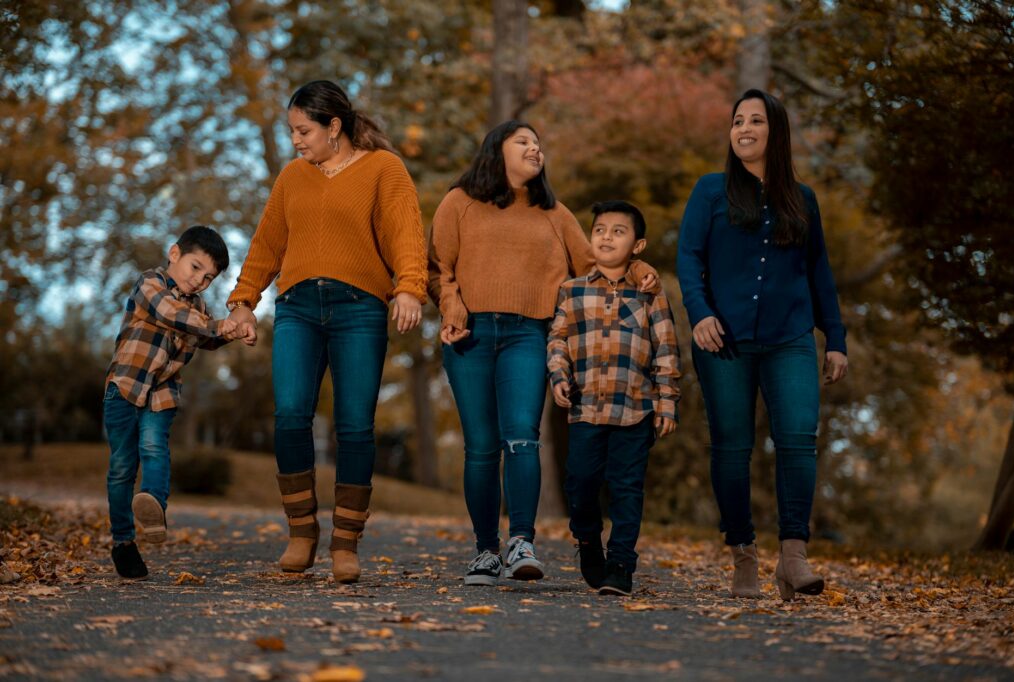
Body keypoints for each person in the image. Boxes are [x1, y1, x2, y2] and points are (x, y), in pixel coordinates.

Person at [428, 120, 658, 587]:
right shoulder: (459, 203)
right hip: (469, 336)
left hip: (528, 335)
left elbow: (598, 263)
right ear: (497, 150)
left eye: (538, 143)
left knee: (522, 437)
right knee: (480, 448)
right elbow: (437, 267)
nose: (536, 149)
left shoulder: (555, 214)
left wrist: (636, 265)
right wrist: (451, 306)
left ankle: (521, 543)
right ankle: (485, 552)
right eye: (524, 142)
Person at [225, 80, 427, 584]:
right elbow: (267, 243)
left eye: (304, 130)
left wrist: (409, 287)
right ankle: (300, 532)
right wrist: (243, 301)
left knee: (355, 425)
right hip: (296, 308)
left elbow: (406, 232)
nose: (296, 140)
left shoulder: (384, 169)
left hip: (359, 308)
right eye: (292, 131)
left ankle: (345, 543)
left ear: (334, 127)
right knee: (291, 415)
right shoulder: (292, 176)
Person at [676, 89, 849, 600]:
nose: (743, 128)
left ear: (776, 132)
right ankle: (744, 556)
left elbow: (819, 272)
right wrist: (700, 313)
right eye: (736, 121)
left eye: (755, 120)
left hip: (790, 338)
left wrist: (834, 338)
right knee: (732, 448)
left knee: (798, 439)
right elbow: (688, 258)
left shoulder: (804, 199)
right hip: (722, 340)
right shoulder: (710, 191)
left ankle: (793, 557)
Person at [548, 200, 680, 596]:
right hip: (586, 408)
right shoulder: (571, 291)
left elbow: (667, 350)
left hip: (635, 409)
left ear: (637, 246)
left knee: (626, 488)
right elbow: (557, 338)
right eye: (600, 230)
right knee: (581, 483)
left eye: (618, 231)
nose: (606, 237)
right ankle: (588, 542)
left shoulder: (649, 294)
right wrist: (558, 375)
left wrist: (668, 402)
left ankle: (621, 564)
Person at [104, 225, 236, 579]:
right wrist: (220, 326)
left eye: (208, 277)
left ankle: (153, 507)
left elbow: (206, 337)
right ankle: (123, 543)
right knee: (122, 466)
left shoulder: (200, 308)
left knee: (155, 448)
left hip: (162, 392)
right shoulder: (151, 283)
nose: (199, 281)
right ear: (174, 253)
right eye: (195, 268)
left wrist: (235, 330)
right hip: (126, 387)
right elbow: (171, 314)